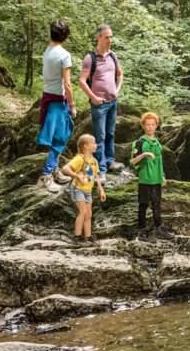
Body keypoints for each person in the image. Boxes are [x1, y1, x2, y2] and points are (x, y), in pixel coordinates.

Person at [36, 19, 77, 191]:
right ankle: (46, 174)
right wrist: (73, 104)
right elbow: (67, 84)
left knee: (58, 136)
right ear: (65, 35)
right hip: (58, 100)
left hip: (48, 96)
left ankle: (54, 170)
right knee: (61, 137)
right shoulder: (64, 55)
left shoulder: (47, 51)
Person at [79, 24, 124, 179]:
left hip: (112, 102)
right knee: (100, 137)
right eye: (107, 37)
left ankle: (110, 161)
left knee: (111, 133)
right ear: (98, 37)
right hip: (99, 104)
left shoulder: (113, 56)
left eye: (111, 37)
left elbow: (120, 75)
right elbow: (82, 81)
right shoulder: (90, 58)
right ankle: (101, 169)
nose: (110, 40)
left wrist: (117, 90)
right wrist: (93, 97)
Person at [130, 112, 173, 239]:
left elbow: (159, 161)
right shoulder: (140, 142)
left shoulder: (157, 142)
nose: (150, 127)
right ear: (143, 126)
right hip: (145, 179)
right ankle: (141, 229)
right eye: (147, 125)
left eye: (152, 124)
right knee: (143, 204)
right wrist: (144, 155)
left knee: (157, 204)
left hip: (156, 179)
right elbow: (132, 161)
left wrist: (162, 176)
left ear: (156, 126)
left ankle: (158, 227)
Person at [62, 133, 106, 244]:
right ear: (86, 146)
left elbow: (96, 176)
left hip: (88, 191)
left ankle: (88, 236)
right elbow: (65, 169)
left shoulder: (94, 161)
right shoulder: (79, 159)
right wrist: (76, 176)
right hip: (78, 189)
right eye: (93, 143)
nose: (96, 145)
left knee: (89, 214)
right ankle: (77, 236)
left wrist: (101, 190)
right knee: (83, 211)